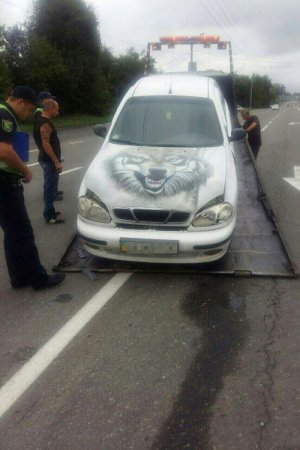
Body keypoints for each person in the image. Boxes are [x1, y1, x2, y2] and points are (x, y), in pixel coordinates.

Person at [0, 86, 65, 289]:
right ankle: (39, 279)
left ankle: (18, 278)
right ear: (19, 101)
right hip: (4, 184)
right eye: (29, 109)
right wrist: (25, 171)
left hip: (4, 183)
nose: (29, 114)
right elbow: (4, 151)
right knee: (24, 233)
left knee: (12, 234)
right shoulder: (5, 115)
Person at [33, 99, 65, 224]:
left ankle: (50, 210)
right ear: (50, 108)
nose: (57, 112)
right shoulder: (44, 124)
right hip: (49, 161)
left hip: (47, 159)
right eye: (56, 109)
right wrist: (56, 161)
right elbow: (46, 144)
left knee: (50, 187)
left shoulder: (42, 120)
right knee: (50, 188)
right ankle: (49, 216)